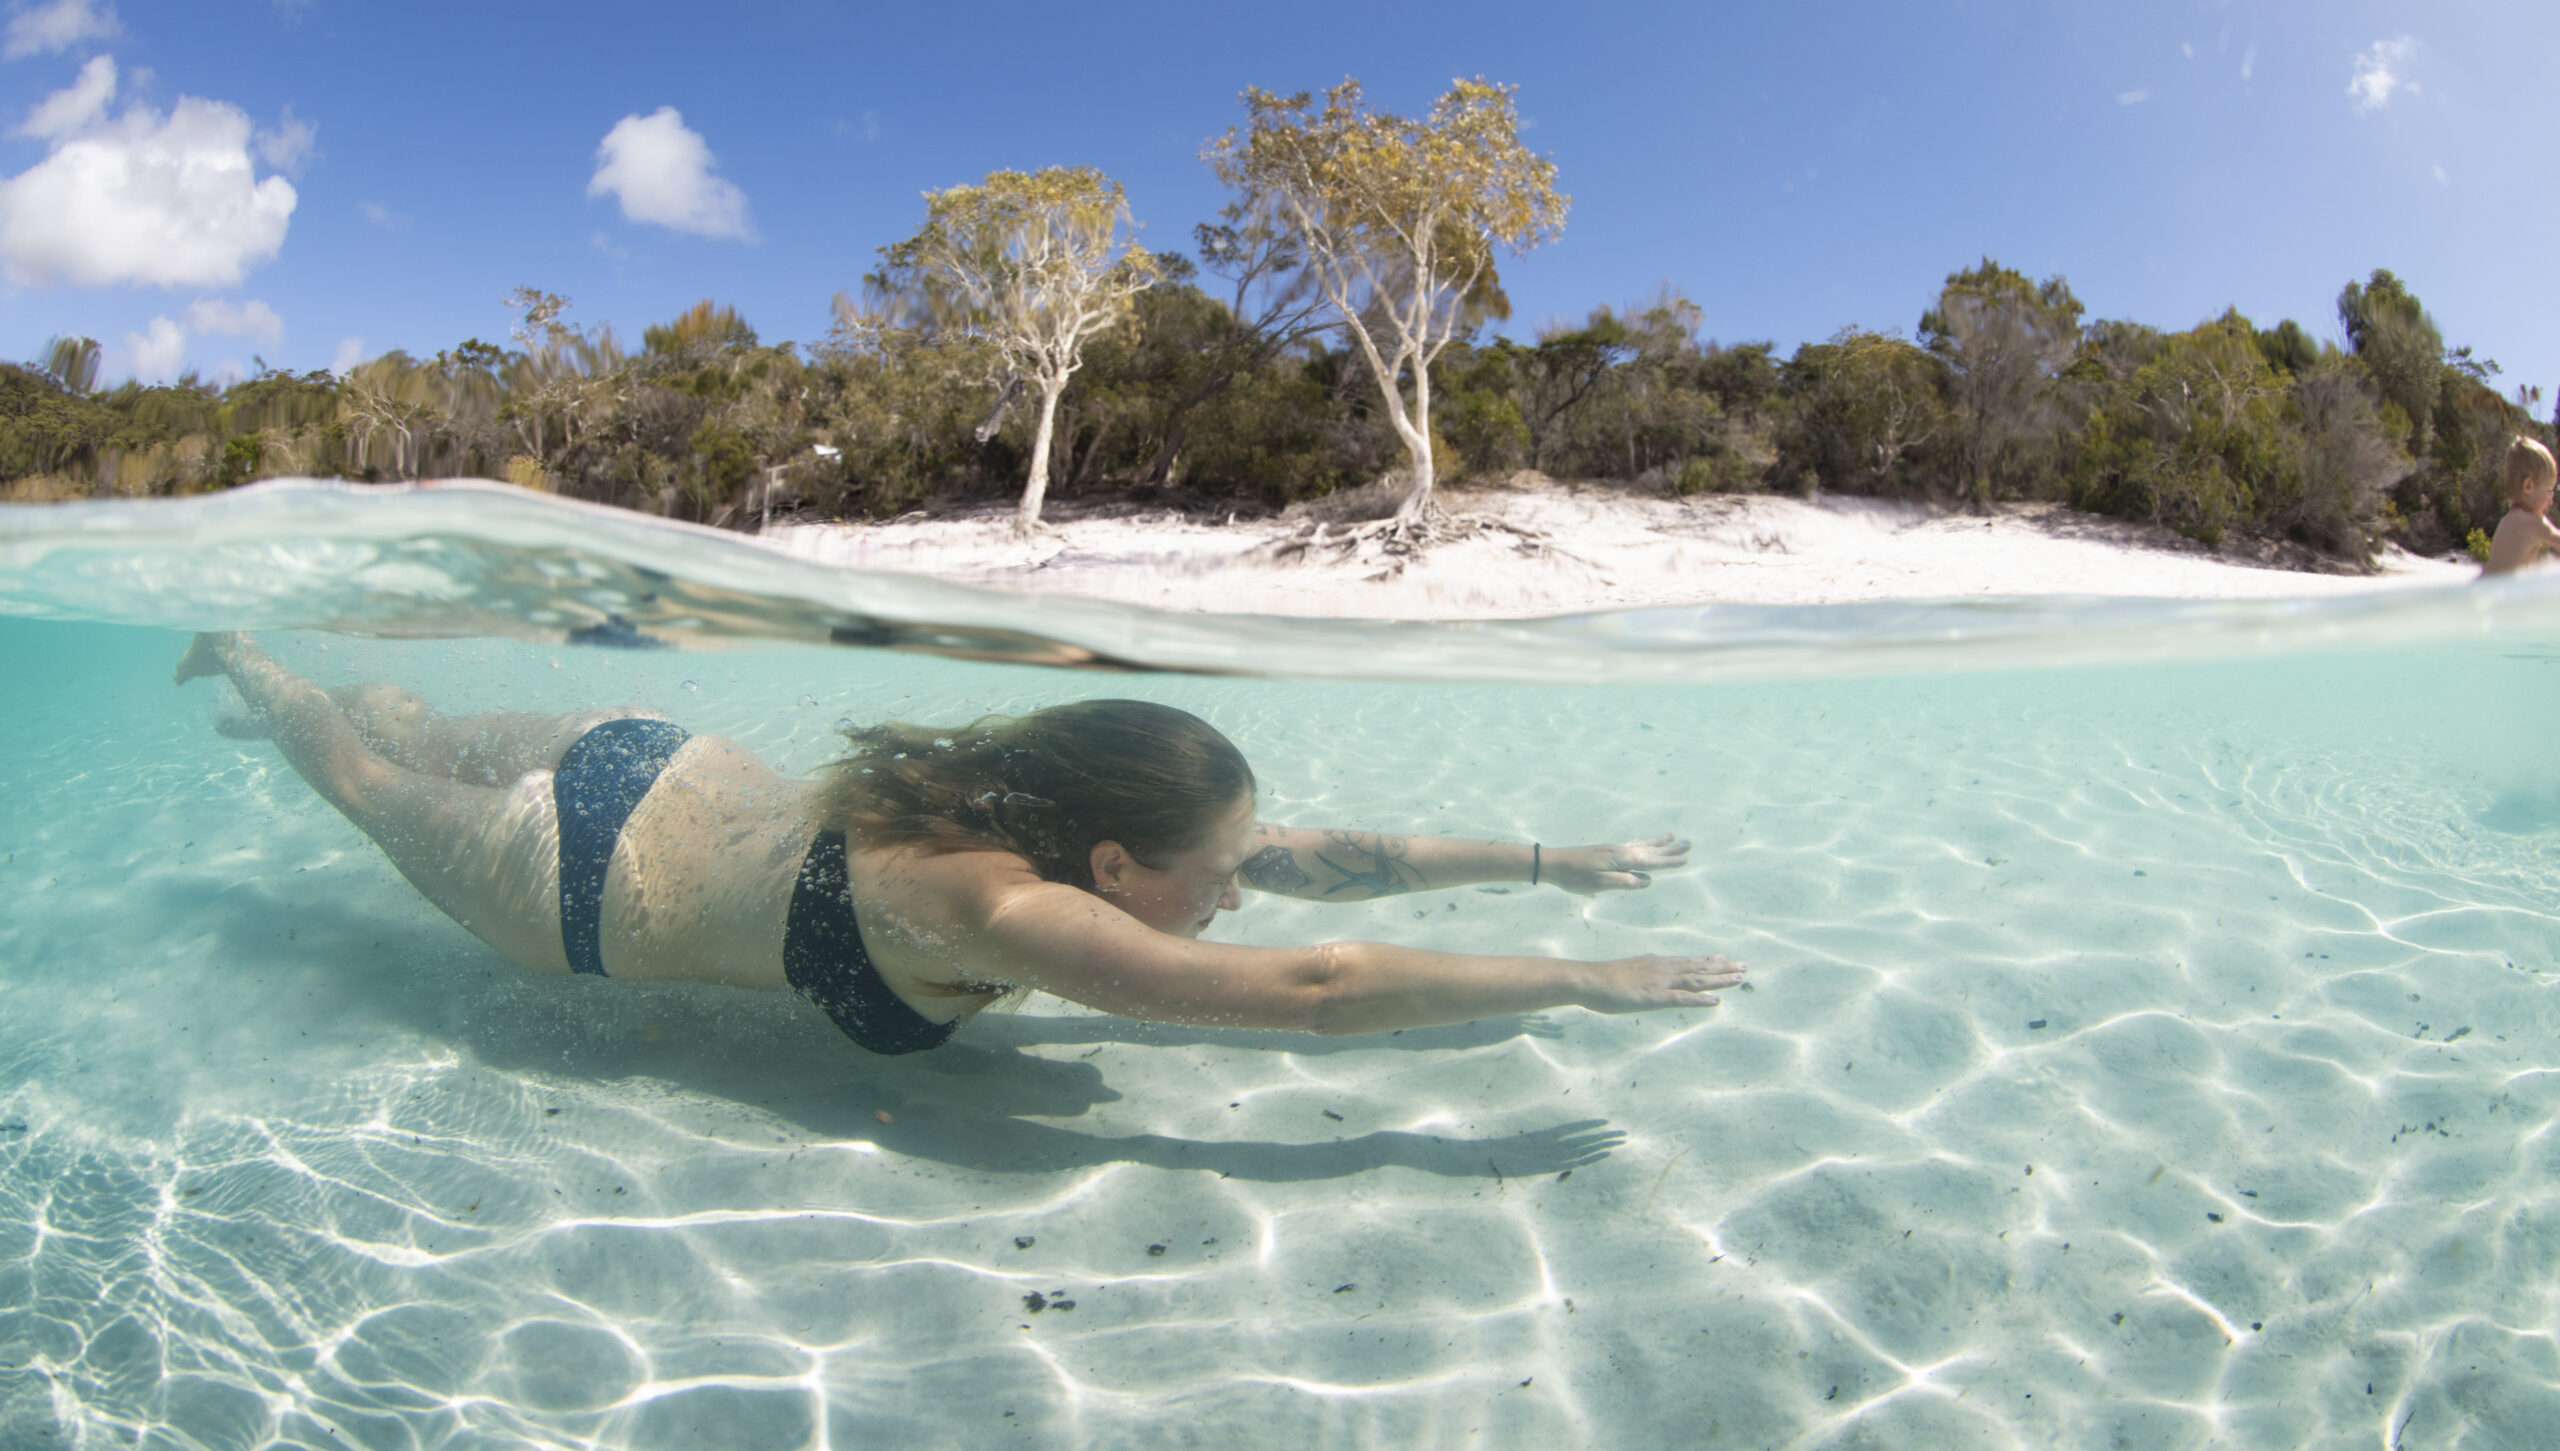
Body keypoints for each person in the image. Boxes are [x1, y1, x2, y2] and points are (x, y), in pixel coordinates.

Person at [176, 633, 1744, 1054]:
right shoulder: (998, 901)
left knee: (403, 731)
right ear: (1119, 866)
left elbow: (1341, 862)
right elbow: (1322, 988)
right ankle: (249, 658)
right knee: (368, 783)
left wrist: (1552, 858)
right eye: (1221, 868)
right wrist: (1578, 977)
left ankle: (313, 688)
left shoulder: (1050, 818)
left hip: (647, 755)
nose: (1245, 881)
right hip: (576, 876)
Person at [2483, 435, 2560, 576]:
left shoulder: (2506, 521)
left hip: (2485, 589)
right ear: (2528, 486)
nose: (2551, 500)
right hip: (2505, 596)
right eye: (2549, 491)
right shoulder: (2534, 523)